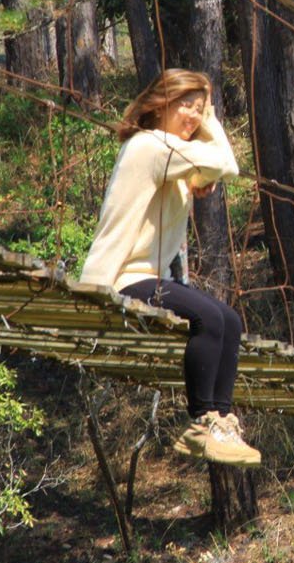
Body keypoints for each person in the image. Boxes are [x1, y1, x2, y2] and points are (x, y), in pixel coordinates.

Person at [79, 69, 260, 467]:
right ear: (159, 103)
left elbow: (212, 169)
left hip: (148, 278)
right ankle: (201, 421)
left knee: (229, 320)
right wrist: (212, 122)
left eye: (200, 110)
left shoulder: (167, 152)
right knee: (209, 319)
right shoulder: (150, 145)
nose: (194, 117)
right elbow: (227, 163)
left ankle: (221, 422)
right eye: (187, 106)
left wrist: (200, 174)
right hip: (122, 279)